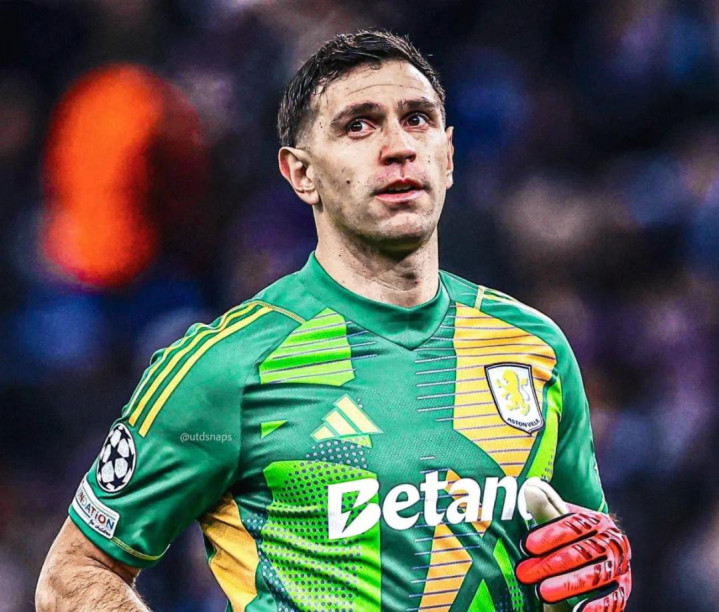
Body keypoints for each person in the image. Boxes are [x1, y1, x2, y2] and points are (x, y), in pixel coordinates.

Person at [36, 29, 631, 611]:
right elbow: (72, 575)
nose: (398, 146)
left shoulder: (535, 346)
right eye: (359, 126)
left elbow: (581, 557)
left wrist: (600, 577)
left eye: (417, 119)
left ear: (448, 156)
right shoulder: (225, 367)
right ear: (302, 174)